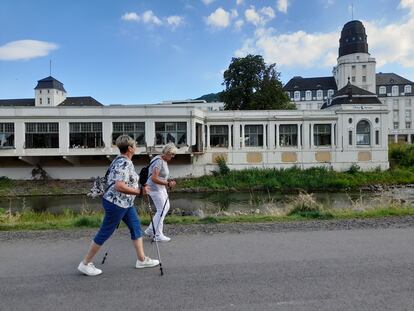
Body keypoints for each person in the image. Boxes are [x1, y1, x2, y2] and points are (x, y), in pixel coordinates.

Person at [78, 135, 159, 276]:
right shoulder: (124, 163)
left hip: (126, 203)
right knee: (105, 232)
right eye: (135, 145)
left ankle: (141, 260)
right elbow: (119, 186)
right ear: (130, 148)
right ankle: (85, 263)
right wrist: (139, 191)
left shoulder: (120, 160)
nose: (136, 148)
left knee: (136, 227)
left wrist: (139, 185)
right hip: (117, 203)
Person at [144, 143, 177, 242]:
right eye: (172, 154)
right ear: (167, 153)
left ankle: (151, 230)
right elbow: (154, 178)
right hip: (155, 188)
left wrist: (166, 182)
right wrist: (168, 183)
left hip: (160, 187)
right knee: (161, 210)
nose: (173, 157)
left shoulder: (161, 159)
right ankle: (157, 235)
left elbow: (160, 176)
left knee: (165, 208)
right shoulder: (159, 161)